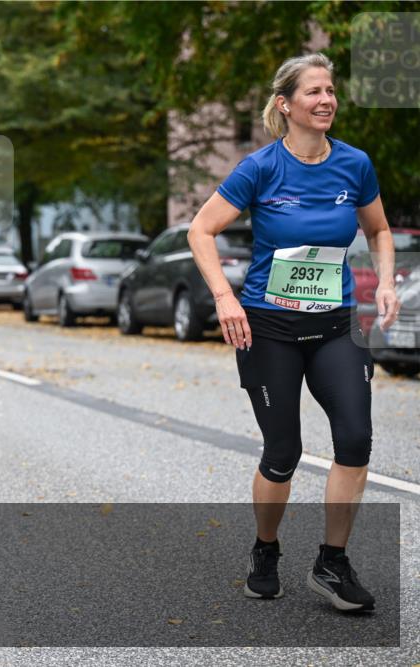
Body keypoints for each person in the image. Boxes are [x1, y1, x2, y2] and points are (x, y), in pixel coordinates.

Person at [188, 53, 399, 612]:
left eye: (331, 90)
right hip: (269, 329)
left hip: (335, 326)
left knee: (355, 439)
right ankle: (266, 548)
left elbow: (377, 230)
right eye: (314, 92)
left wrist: (385, 282)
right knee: (283, 450)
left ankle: (332, 563)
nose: (327, 99)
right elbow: (200, 230)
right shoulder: (259, 168)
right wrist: (225, 296)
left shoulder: (354, 165)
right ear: (286, 104)